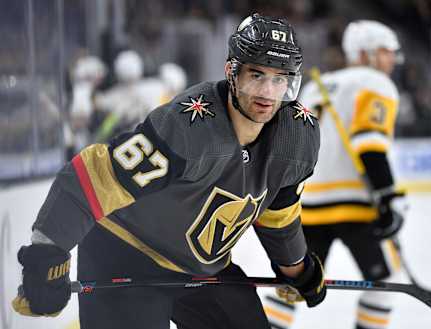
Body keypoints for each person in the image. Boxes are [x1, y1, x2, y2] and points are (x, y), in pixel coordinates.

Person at [12, 13, 327, 329]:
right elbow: (87, 180)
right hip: (126, 253)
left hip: (203, 269)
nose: (267, 93)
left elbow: (278, 216)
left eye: (279, 79)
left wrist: (297, 269)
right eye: (256, 75)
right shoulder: (188, 129)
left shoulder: (296, 137)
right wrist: (46, 255)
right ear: (232, 72)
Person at [265, 20, 407, 329]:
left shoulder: (319, 85)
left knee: (292, 285)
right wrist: (388, 195)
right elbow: (369, 143)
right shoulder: (376, 83)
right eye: (386, 52)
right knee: (385, 283)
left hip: (309, 201)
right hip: (357, 205)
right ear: (366, 53)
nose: (391, 59)